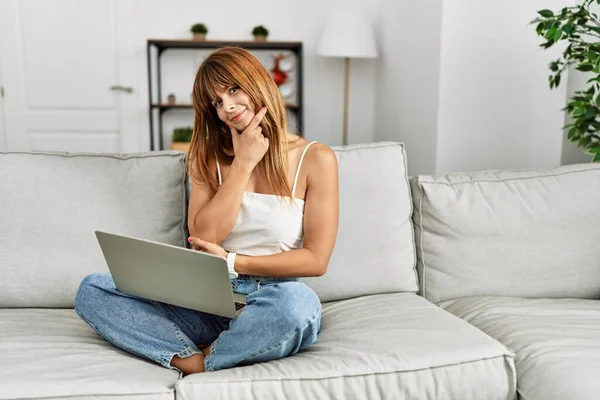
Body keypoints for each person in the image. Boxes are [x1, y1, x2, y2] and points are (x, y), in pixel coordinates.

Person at [74, 47, 339, 375]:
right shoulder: (207, 158)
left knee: (299, 306)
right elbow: (203, 236)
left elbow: (316, 260)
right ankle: (194, 359)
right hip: (207, 297)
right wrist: (243, 164)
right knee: (93, 289)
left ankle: (213, 353)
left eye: (232, 89)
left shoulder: (317, 158)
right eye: (216, 102)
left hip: (271, 296)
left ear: (256, 82)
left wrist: (232, 261)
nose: (227, 107)